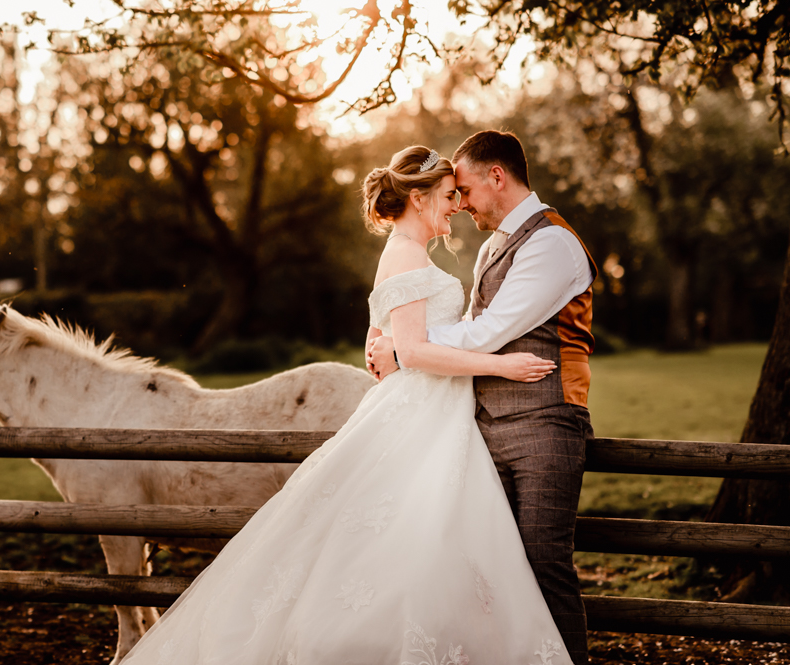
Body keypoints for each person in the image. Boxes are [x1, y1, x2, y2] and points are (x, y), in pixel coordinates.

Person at [120, 145, 574, 665]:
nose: (455, 206)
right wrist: (504, 366)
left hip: (435, 411)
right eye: (449, 196)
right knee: (411, 538)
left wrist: (386, 348)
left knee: (432, 538)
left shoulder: (409, 253)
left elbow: (387, 342)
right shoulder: (405, 253)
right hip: (424, 410)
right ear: (419, 197)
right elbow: (417, 349)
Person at [368, 131, 597, 665]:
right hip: (482, 425)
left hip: (545, 423)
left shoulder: (552, 243)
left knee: (544, 563)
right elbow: (469, 323)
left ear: (498, 176)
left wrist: (404, 350)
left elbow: (490, 330)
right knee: (491, 569)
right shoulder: (496, 245)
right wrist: (402, 341)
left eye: (465, 190)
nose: (462, 202)